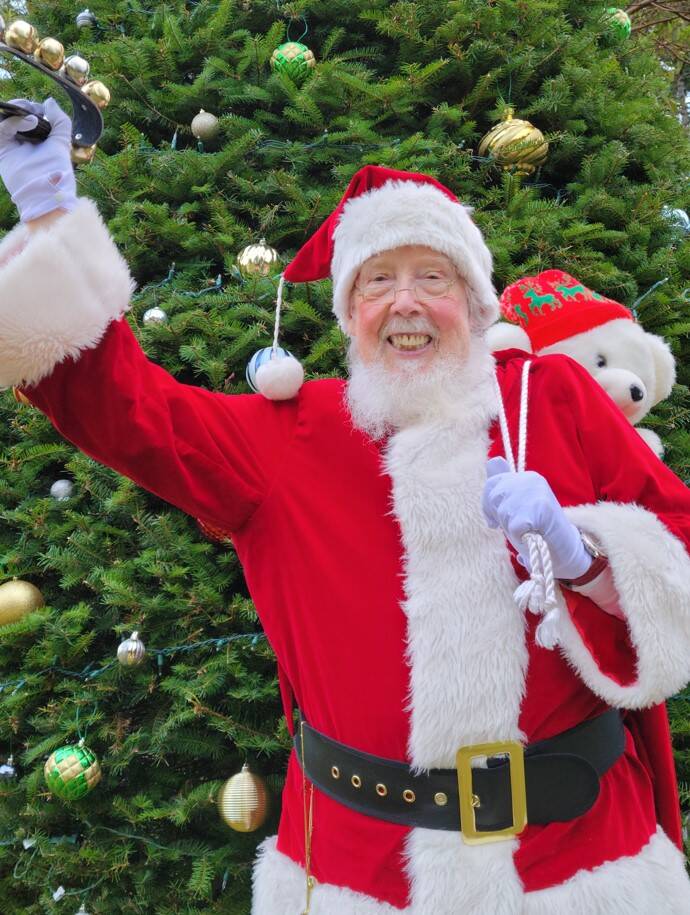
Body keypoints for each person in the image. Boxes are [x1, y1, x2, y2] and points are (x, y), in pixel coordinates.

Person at [1, 99, 690, 915]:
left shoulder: (557, 398)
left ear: (475, 303)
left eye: (432, 277)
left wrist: (585, 555)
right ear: (350, 314)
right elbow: (123, 409)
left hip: (578, 864)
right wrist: (49, 210)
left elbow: (679, 545)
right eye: (377, 281)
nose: (405, 302)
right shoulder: (290, 433)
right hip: (359, 875)